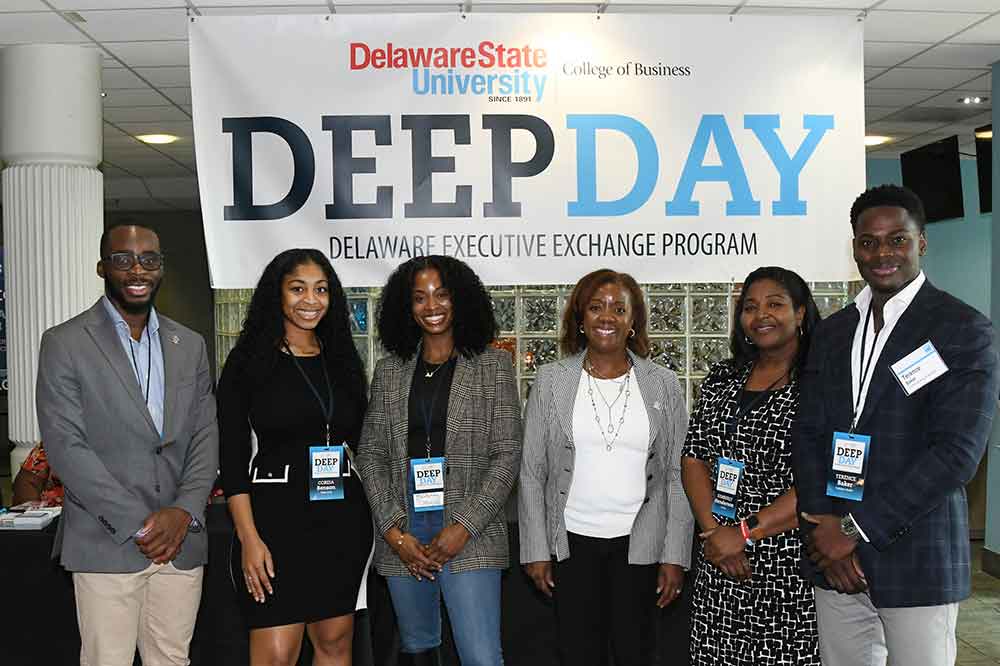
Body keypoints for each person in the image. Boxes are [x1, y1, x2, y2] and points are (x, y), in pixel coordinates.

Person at [793, 184, 1000, 666]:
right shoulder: (834, 331)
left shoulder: (961, 328)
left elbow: (957, 455)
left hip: (916, 556)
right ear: (854, 248)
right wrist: (826, 526)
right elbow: (807, 432)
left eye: (897, 239)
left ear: (921, 242)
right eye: (869, 241)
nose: (882, 253)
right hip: (834, 560)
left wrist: (854, 529)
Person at [36, 223, 218, 666]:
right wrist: (141, 525)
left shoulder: (189, 344)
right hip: (107, 542)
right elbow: (66, 448)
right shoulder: (64, 343)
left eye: (149, 259)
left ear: (161, 269)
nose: (137, 269)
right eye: (123, 259)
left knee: (172, 659)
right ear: (103, 267)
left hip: (180, 543)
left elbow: (205, 435)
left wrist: (183, 512)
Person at [519, 268, 692, 666]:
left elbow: (675, 475)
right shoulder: (550, 380)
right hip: (571, 544)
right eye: (596, 307)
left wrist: (674, 555)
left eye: (619, 308)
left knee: (637, 654)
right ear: (580, 318)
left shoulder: (663, 383)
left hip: (641, 546)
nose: (607, 317)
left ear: (634, 321)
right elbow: (532, 472)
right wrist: (535, 549)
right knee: (579, 654)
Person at [356, 255, 522, 666]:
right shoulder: (390, 371)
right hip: (405, 533)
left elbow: (507, 455)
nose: (431, 306)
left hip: (470, 531)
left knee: (481, 657)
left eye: (441, 294)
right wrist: (395, 533)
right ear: (405, 307)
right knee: (418, 649)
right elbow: (371, 453)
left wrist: (462, 528)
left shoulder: (493, 365)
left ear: (460, 299)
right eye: (419, 297)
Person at [217, 249, 372, 666]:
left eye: (321, 289)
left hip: (341, 520)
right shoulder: (249, 360)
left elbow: (365, 440)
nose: (311, 300)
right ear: (278, 295)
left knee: (336, 645)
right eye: (298, 288)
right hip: (274, 523)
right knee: (276, 655)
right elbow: (232, 462)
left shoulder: (341, 359)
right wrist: (249, 540)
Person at [681, 266, 821, 666]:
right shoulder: (724, 376)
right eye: (750, 307)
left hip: (787, 564)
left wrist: (744, 533)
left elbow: (823, 476)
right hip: (719, 558)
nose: (761, 315)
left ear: (800, 313)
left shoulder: (820, 383)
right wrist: (714, 533)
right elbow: (693, 456)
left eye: (775, 304)